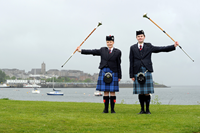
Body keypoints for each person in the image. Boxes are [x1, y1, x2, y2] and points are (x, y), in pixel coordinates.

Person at [129, 30, 179, 114]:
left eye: (141, 36)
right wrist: (132, 75)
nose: (140, 37)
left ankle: (147, 110)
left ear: (144, 37)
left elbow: (161, 49)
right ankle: (142, 110)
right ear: (136, 38)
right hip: (137, 71)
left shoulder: (149, 46)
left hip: (147, 70)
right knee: (140, 92)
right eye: (138, 36)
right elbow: (131, 61)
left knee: (147, 92)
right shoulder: (132, 47)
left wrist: (173, 46)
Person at [76, 35, 122, 113]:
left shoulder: (118, 52)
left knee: (113, 92)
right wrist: (81, 51)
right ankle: (106, 109)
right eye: (108, 42)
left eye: (110, 42)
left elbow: (119, 64)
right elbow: (92, 51)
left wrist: (119, 76)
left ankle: (113, 110)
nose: (109, 43)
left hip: (114, 72)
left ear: (113, 42)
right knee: (106, 91)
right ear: (106, 42)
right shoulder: (102, 50)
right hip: (104, 71)